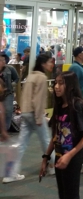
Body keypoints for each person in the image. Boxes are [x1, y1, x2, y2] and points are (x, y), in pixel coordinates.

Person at [40, 72, 83, 199]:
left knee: (71, 196)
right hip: (60, 155)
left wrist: (70, 155)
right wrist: (46, 157)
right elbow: (56, 134)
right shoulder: (59, 105)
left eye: (61, 83)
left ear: (70, 85)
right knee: (63, 194)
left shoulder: (78, 105)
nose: (56, 87)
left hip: (73, 156)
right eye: (55, 83)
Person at [4, 53, 54, 183]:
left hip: (25, 113)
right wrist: (39, 118)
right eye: (49, 62)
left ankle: (10, 173)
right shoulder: (41, 77)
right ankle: (56, 165)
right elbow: (38, 100)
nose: (51, 64)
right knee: (46, 141)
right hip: (34, 114)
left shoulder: (31, 75)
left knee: (21, 144)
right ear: (43, 63)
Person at [0, 52, 19, 131]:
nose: (3, 61)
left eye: (4, 60)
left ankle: (5, 129)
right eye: (1, 60)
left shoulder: (10, 68)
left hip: (8, 93)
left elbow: (17, 78)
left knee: (8, 111)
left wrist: (12, 84)